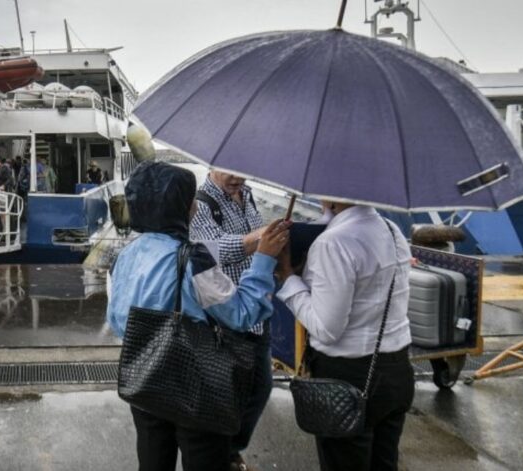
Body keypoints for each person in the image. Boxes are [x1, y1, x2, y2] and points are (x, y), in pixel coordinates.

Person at [107, 161, 290, 471]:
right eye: (188, 197)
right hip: (197, 387)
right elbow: (242, 314)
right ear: (176, 205)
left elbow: (118, 320)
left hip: (145, 382)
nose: (194, 204)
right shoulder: (194, 261)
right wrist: (263, 260)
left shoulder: (126, 254)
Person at [275, 202, 414, 471]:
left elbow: (327, 329)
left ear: (332, 198)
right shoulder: (392, 230)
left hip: (348, 375)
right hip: (396, 369)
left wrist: (289, 278)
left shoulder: (333, 243)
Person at [189, 171, 270, 471]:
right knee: (227, 395)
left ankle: (231, 447)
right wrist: (262, 240)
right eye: (231, 171)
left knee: (261, 388)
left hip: (256, 313)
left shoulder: (247, 197)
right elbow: (212, 251)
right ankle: (222, 452)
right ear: (212, 165)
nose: (238, 178)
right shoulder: (202, 204)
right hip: (226, 317)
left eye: (243, 172)